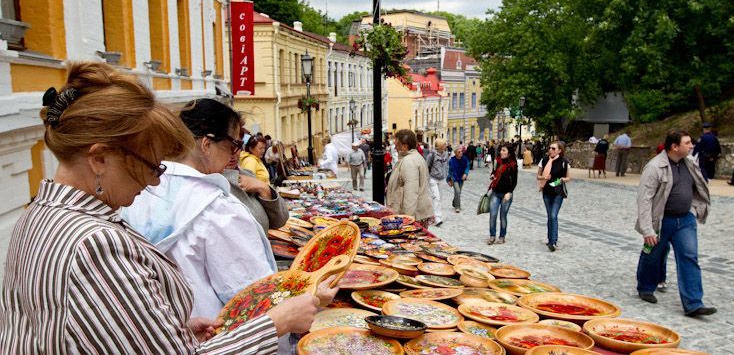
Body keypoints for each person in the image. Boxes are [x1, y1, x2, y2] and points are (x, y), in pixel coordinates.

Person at [0, 62, 332, 353]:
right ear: (99, 158)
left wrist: (166, 333)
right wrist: (276, 322)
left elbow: (70, 330)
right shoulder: (94, 243)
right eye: (150, 165)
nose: (155, 182)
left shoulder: (36, 215)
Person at [123, 98, 281, 319]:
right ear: (207, 145)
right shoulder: (218, 211)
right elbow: (253, 300)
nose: (235, 155)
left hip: (163, 330)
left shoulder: (138, 193)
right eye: (234, 145)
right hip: (211, 336)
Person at [636, 130, 715, 317]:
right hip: (662, 220)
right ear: (674, 146)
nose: (691, 146)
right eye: (687, 143)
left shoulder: (690, 163)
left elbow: (698, 188)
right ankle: (645, 287)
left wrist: (695, 209)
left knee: (689, 257)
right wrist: (648, 229)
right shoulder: (655, 167)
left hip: (685, 219)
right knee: (653, 254)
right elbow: (644, 199)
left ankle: (693, 303)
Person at [385, 129, 435, 225]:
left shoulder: (409, 161)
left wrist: (408, 219)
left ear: (405, 146)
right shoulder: (413, 157)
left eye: (397, 145)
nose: (395, 147)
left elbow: (411, 191)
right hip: (416, 213)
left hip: (413, 215)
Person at [538, 141, 571, 252]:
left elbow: (568, 177)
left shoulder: (564, 162)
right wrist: (543, 178)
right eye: (549, 148)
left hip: (557, 192)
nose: (550, 150)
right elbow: (538, 176)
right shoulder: (544, 160)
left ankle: (553, 242)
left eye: (553, 148)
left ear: (559, 150)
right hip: (546, 191)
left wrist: (562, 180)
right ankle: (550, 239)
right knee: (549, 216)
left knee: (553, 215)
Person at [487, 144, 518, 245]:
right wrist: (492, 176)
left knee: (503, 216)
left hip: (506, 194)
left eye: (503, 150)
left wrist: (509, 192)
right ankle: (492, 236)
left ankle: (502, 236)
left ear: (509, 153)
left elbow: (514, 181)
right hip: (495, 192)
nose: (501, 152)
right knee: (493, 214)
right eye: (501, 150)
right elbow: (494, 172)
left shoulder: (513, 165)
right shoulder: (497, 161)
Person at [427, 139, 450, 226]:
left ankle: (436, 215)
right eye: (444, 144)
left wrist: (447, 175)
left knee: (440, 198)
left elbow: (447, 165)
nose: (446, 145)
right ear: (440, 145)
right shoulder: (432, 155)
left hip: (442, 179)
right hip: (433, 178)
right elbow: (427, 166)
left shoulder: (446, 154)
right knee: (436, 197)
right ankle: (437, 218)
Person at [447, 145, 470, 213]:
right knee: (457, 191)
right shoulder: (452, 160)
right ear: (455, 153)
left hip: (462, 178)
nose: (460, 153)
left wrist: (465, 173)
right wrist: (448, 180)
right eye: (459, 152)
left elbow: (467, 166)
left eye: (461, 151)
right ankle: (457, 207)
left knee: (458, 192)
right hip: (454, 178)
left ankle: (455, 202)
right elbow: (450, 171)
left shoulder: (465, 159)